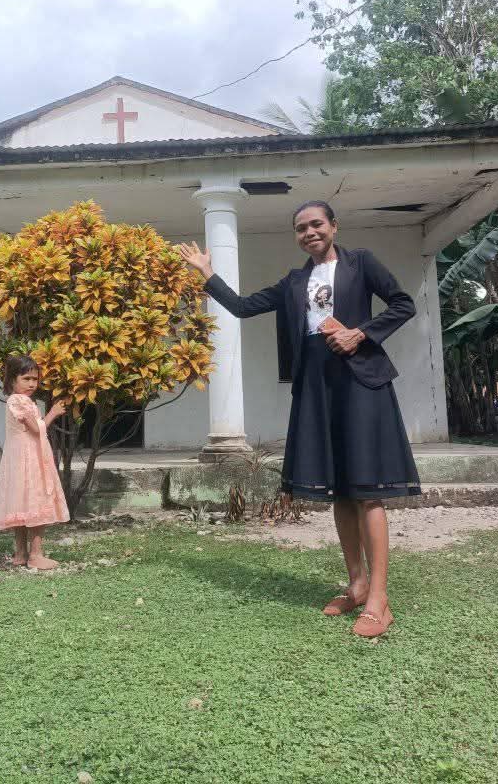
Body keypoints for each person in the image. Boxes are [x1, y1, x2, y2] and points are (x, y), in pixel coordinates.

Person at [180, 201, 421, 636]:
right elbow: (243, 306)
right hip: (316, 387)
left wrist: (359, 333)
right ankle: (357, 585)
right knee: (341, 491)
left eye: (316, 224)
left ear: (334, 226)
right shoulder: (294, 282)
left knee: (369, 491)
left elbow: (403, 304)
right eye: (300, 228)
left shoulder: (361, 263)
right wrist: (207, 273)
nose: (309, 232)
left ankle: (379, 599)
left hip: (360, 383)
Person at [0, 354, 70, 569]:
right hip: (29, 458)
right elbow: (36, 429)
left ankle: (20, 553)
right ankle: (35, 555)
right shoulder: (19, 401)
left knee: (21, 502)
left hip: (20, 458)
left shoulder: (18, 401)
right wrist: (53, 413)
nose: (31, 384)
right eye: (26, 378)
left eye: (35, 379)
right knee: (37, 500)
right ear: (12, 380)